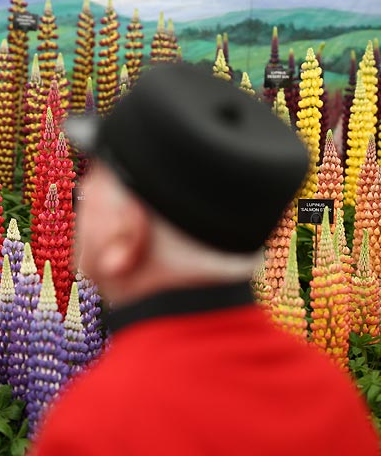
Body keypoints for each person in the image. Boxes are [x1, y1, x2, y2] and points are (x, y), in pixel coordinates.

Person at [30, 63, 379, 455]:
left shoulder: (95, 423)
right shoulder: (332, 401)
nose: (83, 190)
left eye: (97, 178)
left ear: (127, 233)